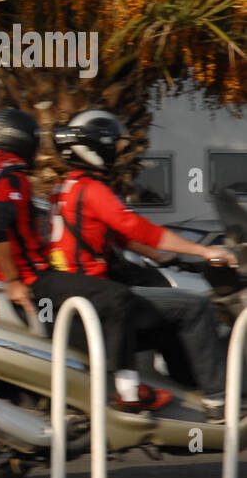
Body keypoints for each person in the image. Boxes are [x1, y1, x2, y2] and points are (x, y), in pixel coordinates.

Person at [0, 109, 164, 411]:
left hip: (6, 282)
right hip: (36, 279)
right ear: (21, 140)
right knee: (118, 297)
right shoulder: (11, 172)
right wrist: (13, 281)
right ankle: (128, 391)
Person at [49, 110, 239, 419]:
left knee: (170, 319)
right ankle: (220, 401)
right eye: (112, 145)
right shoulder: (93, 190)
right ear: (98, 148)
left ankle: (186, 392)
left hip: (78, 295)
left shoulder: (65, 188)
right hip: (97, 298)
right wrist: (204, 252)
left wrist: (170, 258)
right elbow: (137, 228)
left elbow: (111, 235)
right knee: (194, 308)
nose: (116, 153)